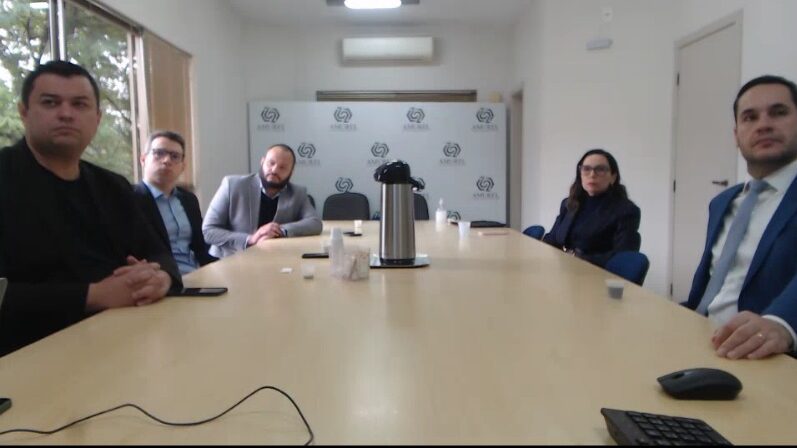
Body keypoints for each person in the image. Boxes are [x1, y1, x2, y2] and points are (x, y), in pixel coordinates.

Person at [0, 61, 181, 356]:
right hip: (29, 352)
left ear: (97, 118)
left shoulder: (113, 186)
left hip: (125, 341)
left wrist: (160, 279)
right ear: (24, 112)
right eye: (50, 102)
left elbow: (160, 252)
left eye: (79, 104)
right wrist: (92, 295)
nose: (66, 113)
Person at [685, 75, 797, 360]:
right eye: (750, 117)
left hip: (757, 355)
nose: (764, 124)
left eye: (779, 112)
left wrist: (782, 323)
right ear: (737, 135)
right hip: (700, 338)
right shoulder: (723, 202)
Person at [202, 143, 322, 258]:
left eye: (282, 167)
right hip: (231, 258)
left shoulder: (297, 192)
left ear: (291, 171)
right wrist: (251, 239)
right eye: (271, 163)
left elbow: (315, 223)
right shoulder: (232, 185)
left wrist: (279, 230)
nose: (274, 170)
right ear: (262, 161)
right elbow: (209, 230)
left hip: (275, 258)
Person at [133, 130, 216, 275]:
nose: (167, 160)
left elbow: (200, 247)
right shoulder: (129, 197)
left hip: (198, 274)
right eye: (159, 153)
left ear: (182, 166)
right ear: (143, 159)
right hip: (157, 279)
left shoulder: (188, 199)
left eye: (174, 156)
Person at [542, 149, 641, 267]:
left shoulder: (626, 211)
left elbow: (623, 256)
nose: (592, 174)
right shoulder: (569, 204)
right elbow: (552, 239)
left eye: (600, 169)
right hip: (563, 268)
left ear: (613, 177)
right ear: (580, 174)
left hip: (595, 274)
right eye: (586, 169)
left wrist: (578, 259)